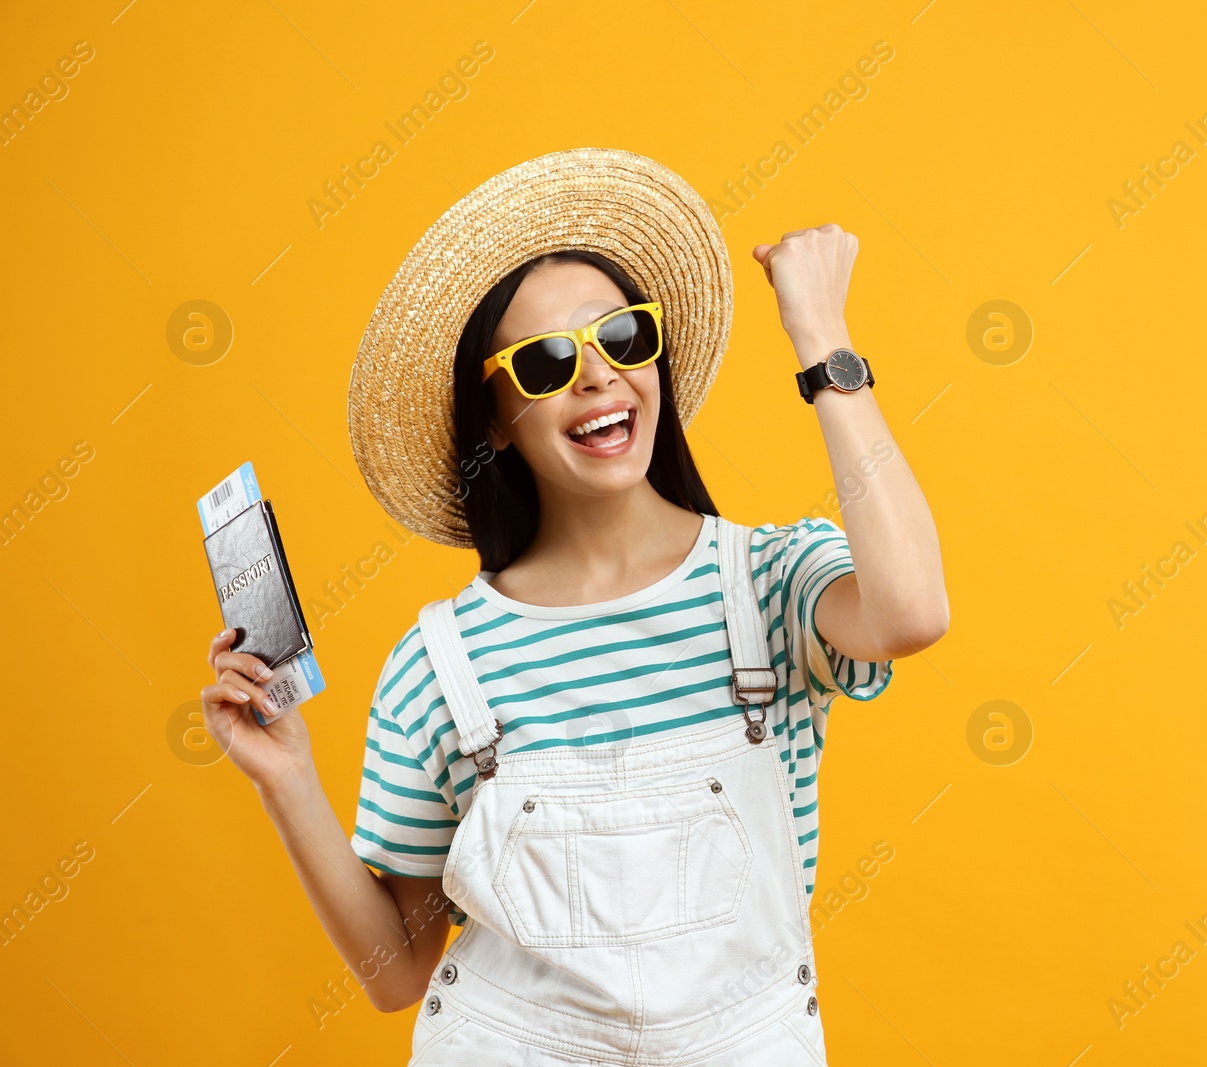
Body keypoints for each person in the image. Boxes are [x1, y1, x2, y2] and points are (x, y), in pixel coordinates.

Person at [199, 147, 947, 1064]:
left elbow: (912, 612)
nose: (596, 375)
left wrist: (821, 339)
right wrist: (286, 778)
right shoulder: (440, 663)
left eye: (623, 337)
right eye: (548, 361)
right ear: (496, 422)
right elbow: (398, 973)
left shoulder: (771, 581)